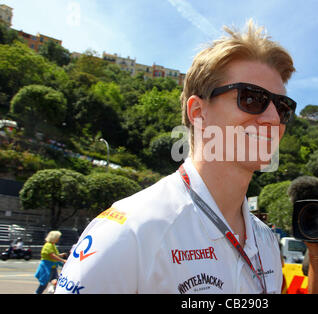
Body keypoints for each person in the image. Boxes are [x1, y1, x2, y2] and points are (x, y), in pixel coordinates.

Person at [56, 20, 296, 294]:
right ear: (198, 112)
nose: (274, 118)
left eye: (283, 106)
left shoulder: (266, 241)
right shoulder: (129, 232)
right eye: (253, 98)